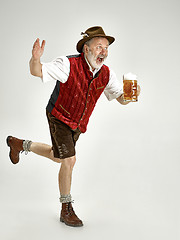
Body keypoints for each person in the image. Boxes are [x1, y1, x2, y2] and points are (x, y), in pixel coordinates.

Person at [6, 26, 140, 227]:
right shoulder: (67, 64)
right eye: (98, 47)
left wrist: (132, 96)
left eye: (106, 47)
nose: (103, 51)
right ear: (85, 49)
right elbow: (36, 71)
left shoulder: (106, 74)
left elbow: (121, 99)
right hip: (58, 116)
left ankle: (20, 144)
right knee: (69, 160)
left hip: (77, 124)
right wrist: (35, 59)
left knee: (57, 156)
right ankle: (66, 208)